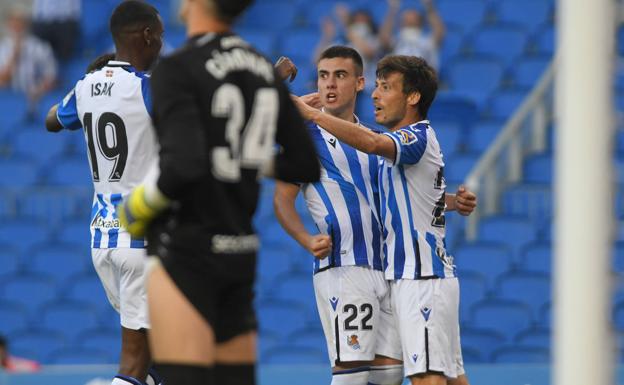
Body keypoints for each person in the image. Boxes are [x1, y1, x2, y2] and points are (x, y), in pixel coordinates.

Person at [117, 0, 321, 384]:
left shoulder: (177, 68)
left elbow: (183, 166)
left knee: (179, 378)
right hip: (239, 250)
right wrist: (246, 157)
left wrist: (139, 206)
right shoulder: (260, 67)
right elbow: (304, 165)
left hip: (186, 251)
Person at [277, 48, 475, 385]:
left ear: (359, 83)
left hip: (392, 270)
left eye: (340, 75)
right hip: (346, 266)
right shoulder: (303, 137)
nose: (330, 84)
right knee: (358, 375)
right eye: (323, 75)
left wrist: (449, 200)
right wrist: (305, 238)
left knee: (392, 374)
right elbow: (281, 198)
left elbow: (395, 188)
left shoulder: (379, 139)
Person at [44, 2, 164, 385]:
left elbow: (51, 120)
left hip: (102, 240)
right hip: (142, 240)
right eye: (159, 35)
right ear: (146, 35)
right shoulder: (147, 88)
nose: (161, 43)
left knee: (160, 360)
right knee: (133, 364)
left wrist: (96, 82)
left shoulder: (85, 87)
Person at [0, 5, 57, 117]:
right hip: (10, 101)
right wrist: (14, 55)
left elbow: (51, 76)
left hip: (36, 98)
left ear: (26, 24)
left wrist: (38, 89)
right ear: (9, 24)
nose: (16, 26)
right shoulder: (3, 47)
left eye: (19, 22)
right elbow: (2, 80)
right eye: (13, 22)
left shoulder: (39, 46)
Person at [379, 0, 445, 71]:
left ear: (420, 20)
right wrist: (392, 9)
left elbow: (439, 32)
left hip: (422, 78)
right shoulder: (397, 40)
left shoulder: (426, 40)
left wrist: (429, 6)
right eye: (407, 16)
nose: (410, 17)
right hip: (400, 77)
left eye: (413, 15)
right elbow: (384, 39)